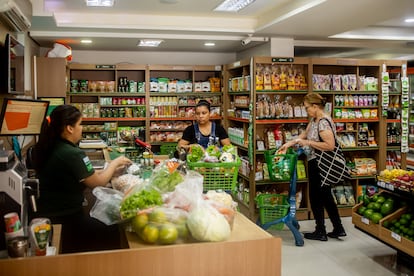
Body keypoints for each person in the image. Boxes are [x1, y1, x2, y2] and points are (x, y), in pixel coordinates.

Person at [31, 105, 132, 253]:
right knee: (114, 227)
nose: (82, 128)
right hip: (66, 219)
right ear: (69, 128)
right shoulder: (72, 153)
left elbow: (85, 174)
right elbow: (97, 183)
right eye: (80, 124)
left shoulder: (52, 146)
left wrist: (111, 172)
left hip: (49, 214)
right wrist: (114, 163)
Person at [279, 93, 346, 241]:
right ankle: (338, 228)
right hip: (318, 162)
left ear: (315, 106)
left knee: (316, 197)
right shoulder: (315, 119)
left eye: (307, 107)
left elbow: (330, 145)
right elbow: (305, 133)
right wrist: (290, 143)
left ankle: (320, 231)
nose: (306, 110)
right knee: (326, 196)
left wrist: (308, 143)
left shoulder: (323, 122)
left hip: (320, 163)